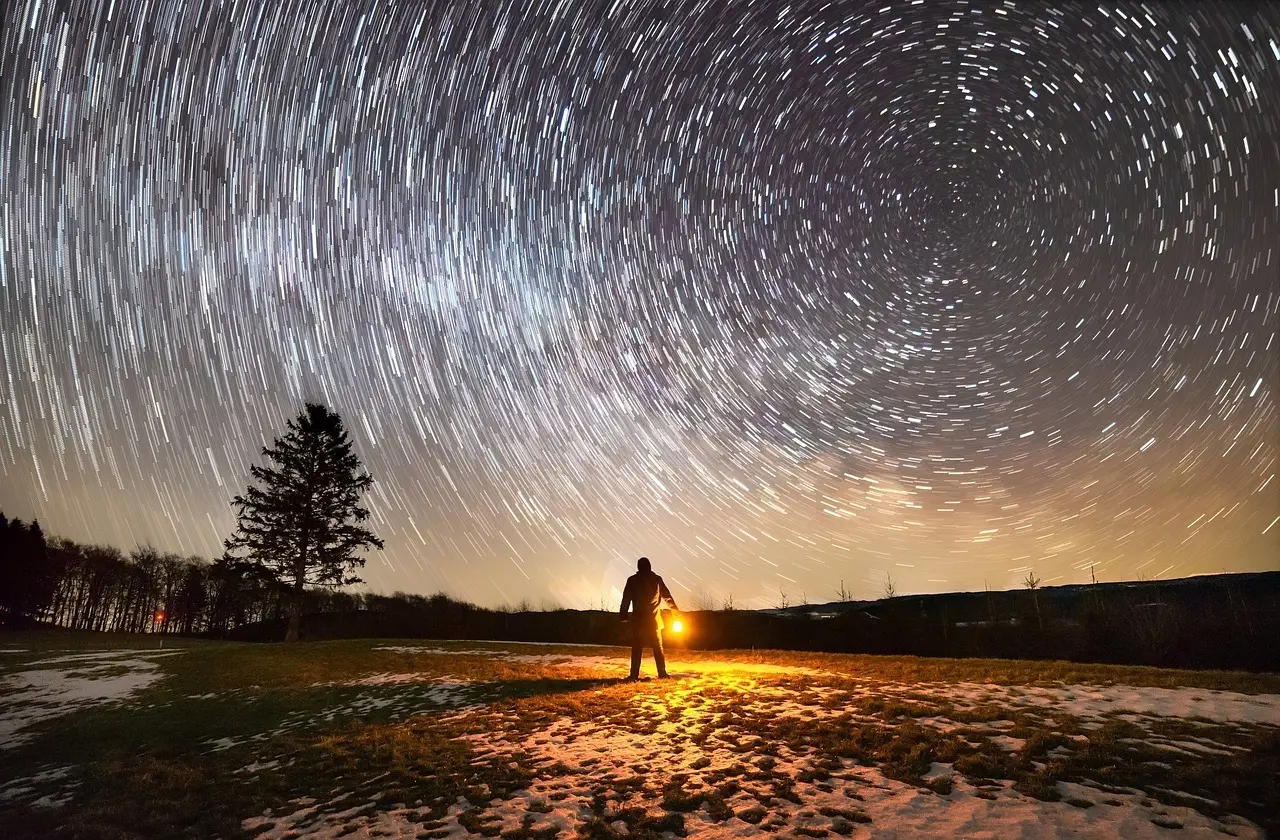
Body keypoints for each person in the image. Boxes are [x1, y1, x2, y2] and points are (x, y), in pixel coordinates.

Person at [618, 556, 680, 679]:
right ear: (650, 567)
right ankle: (662, 673)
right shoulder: (656, 580)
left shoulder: (632, 580)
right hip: (654, 621)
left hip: (639, 621)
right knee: (658, 648)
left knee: (637, 648)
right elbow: (667, 597)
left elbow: (626, 599)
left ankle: (634, 675)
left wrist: (623, 614)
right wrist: (675, 613)